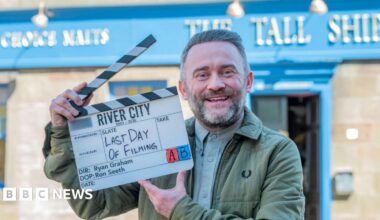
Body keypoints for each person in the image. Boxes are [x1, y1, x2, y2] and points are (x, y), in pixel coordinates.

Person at [43, 29, 305, 219]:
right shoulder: (158, 142)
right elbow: (93, 205)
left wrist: (181, 211)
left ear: (247, 81)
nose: (215, 84)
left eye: (227, 72)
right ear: (183, 88)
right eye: (202, 75)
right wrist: (63, 134)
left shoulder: (277, 152)